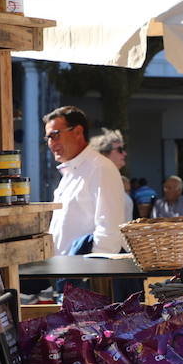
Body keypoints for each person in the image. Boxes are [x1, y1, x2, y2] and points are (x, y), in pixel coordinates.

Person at [45, 107, 127, 257]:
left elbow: (109, 233)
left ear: (77, 132)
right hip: (68, 272)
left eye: (55, 135)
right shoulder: (71, 171)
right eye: (48, 137)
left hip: (84, 273)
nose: (50, 143)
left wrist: (88, 277)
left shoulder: (100, 168)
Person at [90, 129, 133, 220]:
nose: (125, 153)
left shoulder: (114, 180)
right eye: (120, 150)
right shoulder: (97, 182)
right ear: (104, 153)